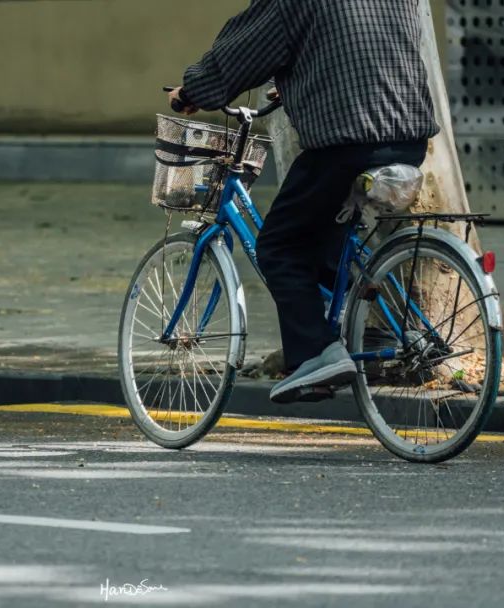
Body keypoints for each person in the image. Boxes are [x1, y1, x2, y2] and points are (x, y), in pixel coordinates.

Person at [168, 0, 439, 403]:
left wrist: (192, 90)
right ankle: (369, 327)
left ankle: (317, 354)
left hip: (347, 141)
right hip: (409, 134)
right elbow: (362, 49)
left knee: (279, 246)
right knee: (326, 236)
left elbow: (239, 53)